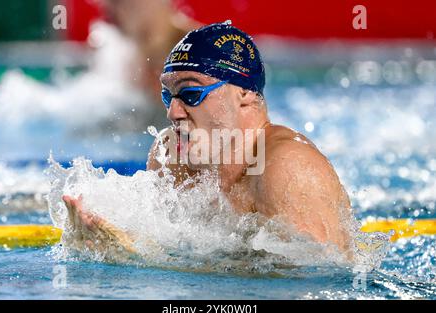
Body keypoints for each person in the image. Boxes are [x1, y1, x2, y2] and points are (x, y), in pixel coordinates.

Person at [62, 22, 353, 258]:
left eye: (190, 94)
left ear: (245, 95)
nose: (173, 112)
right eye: (168, 95)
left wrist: (139, 256)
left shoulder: (286, 169)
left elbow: (319, 280)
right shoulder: (171, 156)